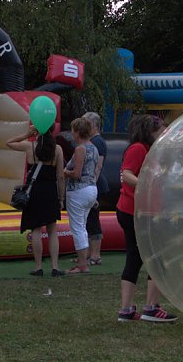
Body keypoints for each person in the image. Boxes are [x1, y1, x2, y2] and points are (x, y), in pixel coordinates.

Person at [116, 114, 177, 323]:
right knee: (157, 257)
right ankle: (151, 308)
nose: (164, 134)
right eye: (161, 131)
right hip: (136, 212)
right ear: (149, 132)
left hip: (137, 211)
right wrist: (146, 186)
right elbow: (126, 174)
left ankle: (126, 310)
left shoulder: (150, 150)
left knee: (136, 258)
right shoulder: (138, 149)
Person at [7, 124, 66, 277]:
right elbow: (60, 177)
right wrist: (61, 198)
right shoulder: (58, 150)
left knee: (36, 229)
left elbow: (9, 142)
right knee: (52, 230)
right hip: (50, 191)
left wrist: (27, 135)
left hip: (34, 192)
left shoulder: (30, 146)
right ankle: (55, 267)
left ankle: (38, 266)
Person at [63, 117, 99, 274]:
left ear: (77, 132)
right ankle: (83, 260)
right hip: (91, 189)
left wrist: (65, 172)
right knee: (82, 226)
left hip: (78, 190)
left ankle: (82, 264)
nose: (71, 133)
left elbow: (76, 174)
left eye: (73, 131)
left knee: (77, 227)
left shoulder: (80, 149)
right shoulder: (94, 148)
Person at [83, 112, 107, 266]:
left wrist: (91, 186)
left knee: (93, 220)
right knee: (87, 220)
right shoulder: (92, 141)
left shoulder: (98, 142)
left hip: (94, 185)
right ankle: (86, 255)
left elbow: (97, 167)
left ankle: (95, 255)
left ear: (92, 125)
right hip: (91, 185)